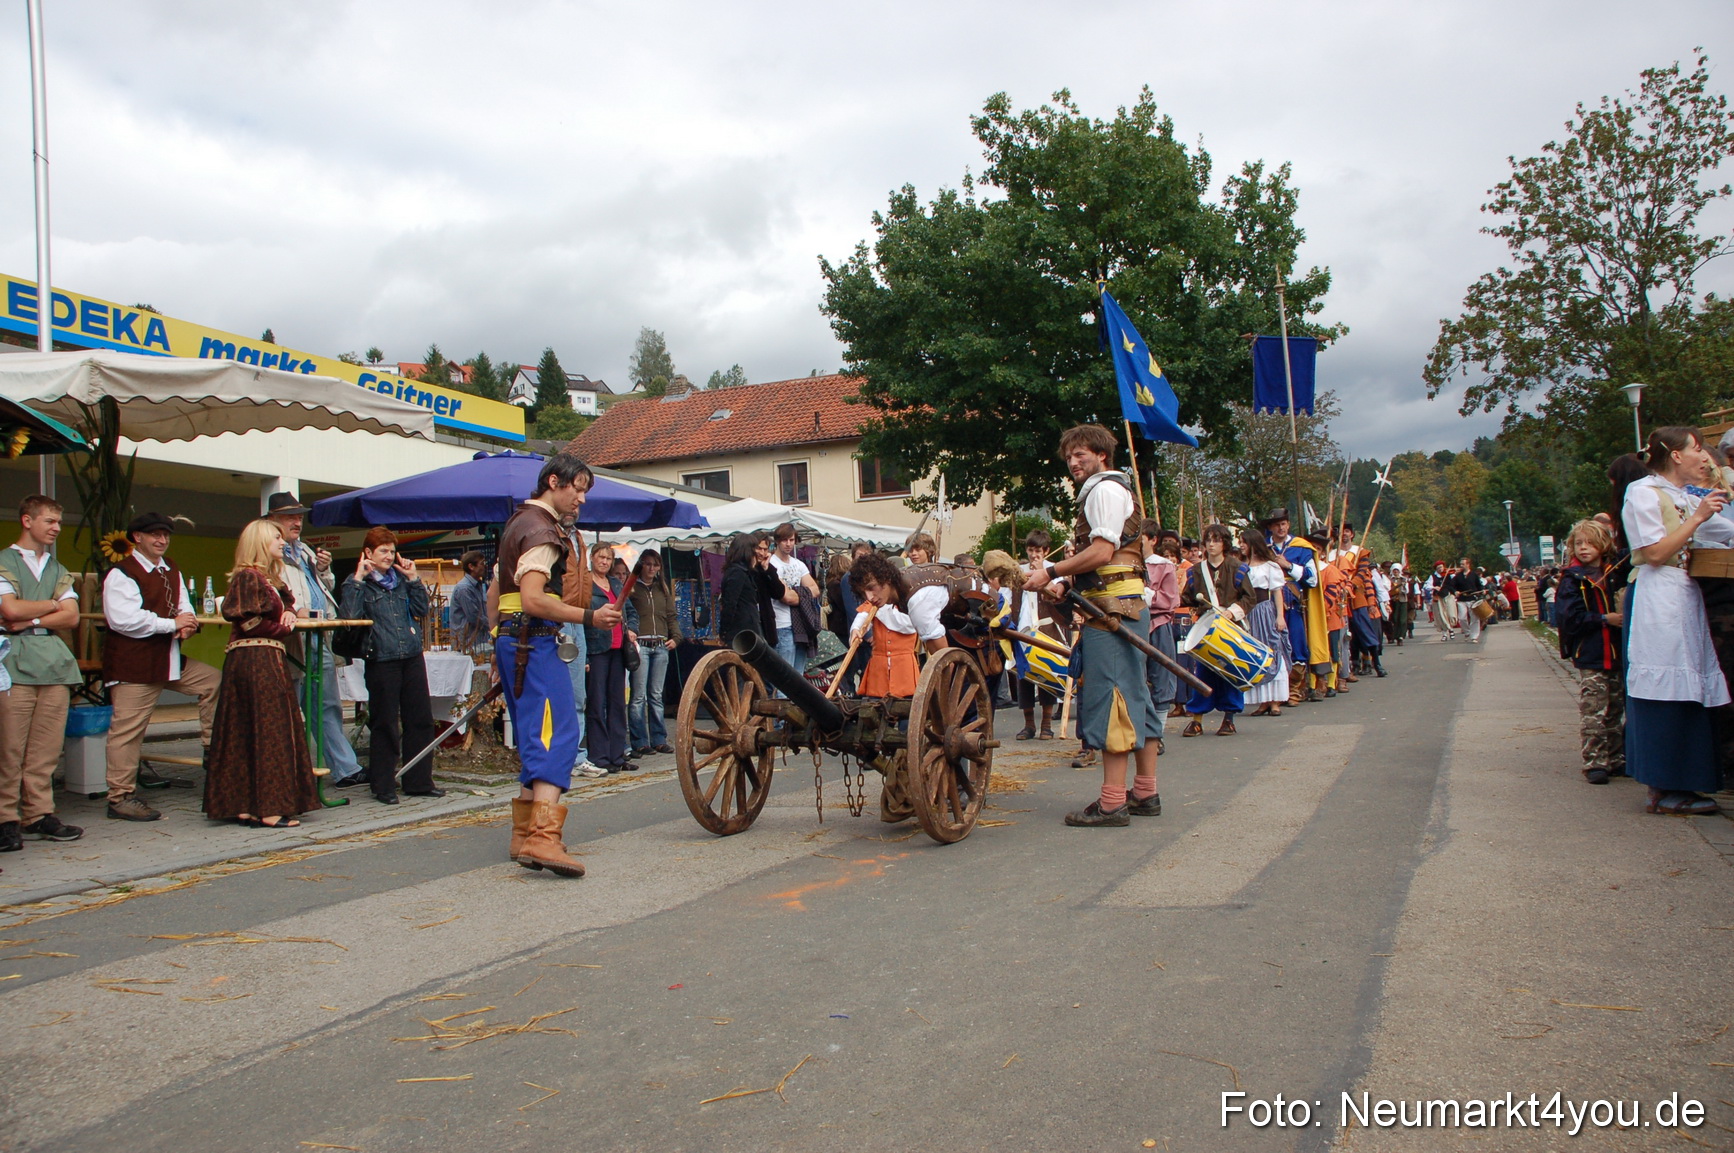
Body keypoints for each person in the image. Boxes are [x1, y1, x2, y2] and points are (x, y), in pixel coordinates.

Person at [1024, 425, 1163, 827]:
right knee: (1137, 695)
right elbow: (1110, 558)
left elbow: (1101, 552)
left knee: (1113, 699)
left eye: (1081, 454)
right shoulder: (1113, 491)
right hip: (1122, 605)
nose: (1073, 462)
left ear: (1102, 455)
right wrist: (1066, 583)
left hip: (1112, 613)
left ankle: (1112, 803)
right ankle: (1145, 792)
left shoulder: (1103, 490)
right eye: (1069, 457)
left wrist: (1049, 569)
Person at [491, 453, 610, 876]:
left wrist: (497, 641)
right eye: (576, 490)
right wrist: (589, 617)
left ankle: (523, 835)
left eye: (584, 492)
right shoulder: (543, 530)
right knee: (557, 733)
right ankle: (544, 838)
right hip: (535, 640)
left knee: (532, 735)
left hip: (513, 640)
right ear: (554, 481)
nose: (580, 500)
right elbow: (533, 599)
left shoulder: (517, 523)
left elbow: (496, 590)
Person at [1621, 427, 1730, 816]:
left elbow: (1723, 531)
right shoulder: (1643, 493)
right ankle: (1663, 784)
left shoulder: (1679, 496)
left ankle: (1686, 780)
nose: (1705, 457)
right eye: (1697, 449)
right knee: (1663, 688)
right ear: (1676, 455)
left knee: (1690, 687)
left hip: (1681, 596)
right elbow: (1653, 552)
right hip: (1658, 596)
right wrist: (1698, 516)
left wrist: (1704, 514)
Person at [101, 512, 221, 822]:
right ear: (136, 538)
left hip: (167, 658)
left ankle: (211, 749)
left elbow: (184, 606)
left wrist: (187, 624)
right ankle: (119, 798)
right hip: (134, 664)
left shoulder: (171, 569)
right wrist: (172, 624)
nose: (162, 540)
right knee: (127, 732)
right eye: (154, 534)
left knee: (212, 680)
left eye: (166, 535)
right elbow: (123, 619)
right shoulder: (121, 573)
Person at [204, 519, 319, 828]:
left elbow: (287, 604)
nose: (281, 542)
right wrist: (284, 626)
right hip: (255, 659)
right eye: (275, 538)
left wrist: (289, 613)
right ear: (258, 543)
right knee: (268, 730)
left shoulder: (267, 579)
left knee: (249, 730)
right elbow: (250, 623)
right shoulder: (248, 578)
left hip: (263, 657)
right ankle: (268, 808)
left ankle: (244, 805)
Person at [0, 495, 84, 851]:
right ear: (27, 520)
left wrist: (34, 616)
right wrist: (55, 603)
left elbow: (72, 616)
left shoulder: (56, 566)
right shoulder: (4, 562)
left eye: (59, 523)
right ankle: (6, 818)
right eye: (49, 521)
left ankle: (39, 813)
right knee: (10, 746)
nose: (55, 528)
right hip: (14, 662)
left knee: (45, 748)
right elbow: (7, 608)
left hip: (53, 661)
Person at [267, 492, 365, 790]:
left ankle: (345, 769)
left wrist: (322, 569)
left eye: (298, 516)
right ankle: (281, 772)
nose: (296, 521)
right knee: (286, 707)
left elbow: (324, 588)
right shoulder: (268, 553)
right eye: (289, 517)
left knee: (327, 704)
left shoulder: (305, 550)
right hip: (290, 637)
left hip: (317, 634)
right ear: (272, 521)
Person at [338, 526, 439, 805]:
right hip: (381, 658)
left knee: (420, 719)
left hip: (410, 654)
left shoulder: (402, 580)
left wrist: (415, 578)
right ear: (368, 553)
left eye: (392, 550)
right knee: (384, 723)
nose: (389, 555)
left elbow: (422, 610)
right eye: (383, 550)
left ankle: (418, 781)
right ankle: (383, 785)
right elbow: (350, 616)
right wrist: (358, 578)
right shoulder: (358, 582)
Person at [1555, 518, 1627, 785]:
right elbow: (1569, 617)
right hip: (1592, 652)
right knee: (1594, 709)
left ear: (1602, 543)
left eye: (1590, 542)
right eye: (1578, 543)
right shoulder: (1573, 579)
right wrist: (1603, 619)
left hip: (1617, 652)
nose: (1584, 548)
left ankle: (1616, 757)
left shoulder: (1614, 571)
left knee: (1615, 707)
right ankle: (1595, 761)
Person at [1177, 524, 1252, 735]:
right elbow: (1188, 597)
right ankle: (1197, 719)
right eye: (1208, 540)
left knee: (1230, 671)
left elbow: (1249, 597)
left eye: (1216, 540)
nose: (1211, 544)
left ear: (1225, 543)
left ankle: (1229, 719)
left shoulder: (1237, 568)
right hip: (1206, 626)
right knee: (1202, 673)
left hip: (1231, 627)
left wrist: (1232, 612)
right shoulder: (1195, 571)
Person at [1262, 508, 1330, 705]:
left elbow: (1312, 579)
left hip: (1293, 605)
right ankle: (1275, 693)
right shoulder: (1264, 549)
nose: (1280, 527)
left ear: (1288, 525)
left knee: (1297, 644)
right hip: (1269, 606)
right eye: (1276, 524)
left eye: (1283, 523)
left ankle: (1294, 690)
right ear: (1270, 527)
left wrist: (1289, 566)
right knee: (1272, 646)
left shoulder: (1301, 548)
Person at [582, 543, 638, 773]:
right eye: (600, 557)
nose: (604, 562)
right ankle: (599, 755)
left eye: (607, 558)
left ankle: (617, 754)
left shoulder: (616, 583)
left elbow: (631, 611)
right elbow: (581, 617)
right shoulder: (585, 584)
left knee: (617, 702)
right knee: (597, 702)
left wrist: (632, 628)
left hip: (617, 649)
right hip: (596, 648)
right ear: (592, 558)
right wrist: (583, 654)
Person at [1013, 529, 1064, 740]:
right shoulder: (1018, 570)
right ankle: (1029, 725)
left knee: (1047, 672)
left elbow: (1056, 594)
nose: (1034, 555)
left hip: (1047, 627)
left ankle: (1046, 725)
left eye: (1038, 551)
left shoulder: (1054, 570)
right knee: (1024, 675)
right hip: (1024, 629)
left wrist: (1042, 571)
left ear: (1046, 551)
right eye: (1031, 550)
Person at [627, 548, 679, 757]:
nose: (651, 568)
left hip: (660, 645)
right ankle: (640, 740)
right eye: (647, 564)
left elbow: (670, 615)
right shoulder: (632, 588)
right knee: (638, 696)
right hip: (641, 644)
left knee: (656, 695)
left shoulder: (662, 589)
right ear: (641, 565)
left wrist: (676, 637)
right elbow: (628, 614)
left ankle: (659, 738)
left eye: (655, 564)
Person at [1238, 528, 1292, 717]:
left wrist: (1280, 616)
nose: (1241, 545)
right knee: (1255, 655)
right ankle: (1263, 701)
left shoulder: (1270, 566)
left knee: (1273, 650)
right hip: (1248, 613)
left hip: (1265, 610)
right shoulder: (1241, 566)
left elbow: (1277, 591)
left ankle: (1275, 701)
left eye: (1244, 541)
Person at [720, 532, 784, 645]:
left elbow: (779, 592)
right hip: (744, 631)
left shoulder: (764, 569)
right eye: (758, 548)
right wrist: (724, 632)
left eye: (765, 549)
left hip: (761, 626)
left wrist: (766, 570)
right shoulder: (738, 571)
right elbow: (730, 604)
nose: (761, 553)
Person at [1349, 552, 1388, 677]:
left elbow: (1370, 589)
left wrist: (1371, 604)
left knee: (1367, 634)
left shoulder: (1363, 573)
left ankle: (1375, 663)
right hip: (1344, 604)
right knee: (1352, 639)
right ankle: (1355, 665)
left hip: (1359, 604)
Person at [448, 550, 490, 653]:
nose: (485, 566)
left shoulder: (478, 585)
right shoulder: (464, 588)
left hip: (477, 641)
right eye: (482, 563)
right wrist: (493, 626)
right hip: (465, 643)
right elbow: (474, 616)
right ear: (471, 566)